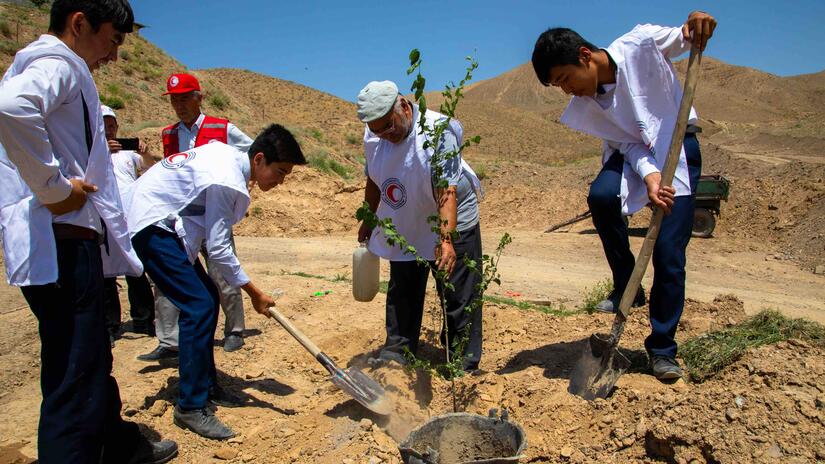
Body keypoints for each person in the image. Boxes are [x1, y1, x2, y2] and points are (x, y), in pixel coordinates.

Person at [0, 1, 177, 463]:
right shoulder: (60, 64)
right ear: (80, 24)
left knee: (90, 355)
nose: (114, 56)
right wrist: (56, 189)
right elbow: (11, 109)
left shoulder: (40, 65)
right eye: (113, 40)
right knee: (74, 373)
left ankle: (116, 442)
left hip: (60, 241)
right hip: (64, 241)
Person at [531, 11, 717, 379]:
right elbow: (626, 146)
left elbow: (682, 38)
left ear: (585, 55)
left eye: (565, 79)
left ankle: (662, 349)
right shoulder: (586, 106)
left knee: (668, 255)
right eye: (559, 87)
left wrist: (695, 24)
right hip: (635, 158)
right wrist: (649, 176)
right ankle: (625, 283)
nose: (568, 91)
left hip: (677, 149)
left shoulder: (640, 44)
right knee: (601, 196)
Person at [124, 124, 306, 439]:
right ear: (259, 159)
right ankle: (191, 408)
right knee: (199, 305)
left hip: (162, 224)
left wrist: (187, 256)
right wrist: (255, 293)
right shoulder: (227, 178)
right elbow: (220, 249)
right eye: (280, 172)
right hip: (150, 225)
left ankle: (207, 385)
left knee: (205, 296)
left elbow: (194, 219)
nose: (280, 181)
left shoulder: (227, 160)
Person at [355, 81, 484, 372]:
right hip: (409, 213)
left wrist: (447, 239)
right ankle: (398, 349)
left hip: (451, 209)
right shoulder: (374, 134)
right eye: (377, 130)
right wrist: (369, 216)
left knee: (456, 286)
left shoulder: (437, 132)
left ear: (404, 106)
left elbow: (445, 191)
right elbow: (374, 179)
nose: (385, 135)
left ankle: (462, 356)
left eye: (389, 125)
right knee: (404, 283)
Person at [138, 72, 253, 361]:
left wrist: (236, 187)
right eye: (174, 99)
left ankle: (235, 330)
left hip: (213, 212)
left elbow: (253, 152)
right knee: (169, 277)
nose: (179, 105)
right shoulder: (169, 134)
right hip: (180, 217)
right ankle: (169, 340)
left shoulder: (222, 127)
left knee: (221, 269)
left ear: (199, 98)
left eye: (184, 98)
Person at [100, 104, 158, 343]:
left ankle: (143, 320)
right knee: (105, 273)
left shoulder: (127, 154)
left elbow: (152, 166)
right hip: (102, 218)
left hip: (130, 217)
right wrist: (101, 151)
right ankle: (110, 324)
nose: (110, 131)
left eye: (112, 127)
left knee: (136, 267)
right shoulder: (89, 150)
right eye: (104, 127)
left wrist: (144, 152)